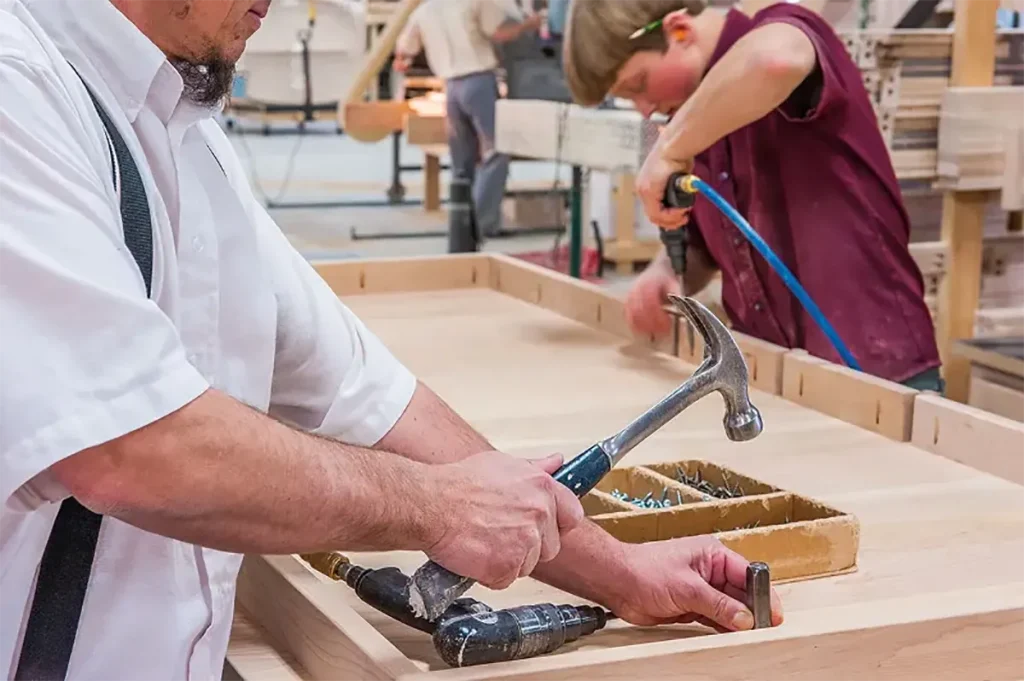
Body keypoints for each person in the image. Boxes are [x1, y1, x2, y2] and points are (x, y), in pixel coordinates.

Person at [0, 0, 782, 677]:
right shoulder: (20, 89)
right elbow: (136, 447)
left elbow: (363, 392)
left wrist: (621, 574)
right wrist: (436, 508)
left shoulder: (188, 136)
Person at [562, 0, 945, 392]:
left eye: (638, 85)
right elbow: (718, 238)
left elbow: (775, 60)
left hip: (876, 372)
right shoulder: (693, 119)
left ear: (679, 30)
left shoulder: (783, 36)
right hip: (772, 381)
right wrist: (666, 270)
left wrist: (670, 148)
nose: (644, 110)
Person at [393, 0, 541, 238]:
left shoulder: (424, 10)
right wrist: (529, 25)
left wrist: (404, 60)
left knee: (462, 162)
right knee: (496, 152)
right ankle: (480, 225)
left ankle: (459, 223)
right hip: (478, 81)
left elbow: (403, 51)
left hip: (451, 89)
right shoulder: (472, 2)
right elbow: (499, 33)